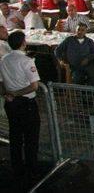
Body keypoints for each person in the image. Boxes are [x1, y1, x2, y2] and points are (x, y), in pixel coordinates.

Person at [0, 31, 41, 179]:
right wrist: (16, 93)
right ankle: (32, 169)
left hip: (11, 103)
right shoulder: (27, 61)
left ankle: (17, 167)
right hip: (26, 103)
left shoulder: (4, 59)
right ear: (23, 43)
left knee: (15, 136)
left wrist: (7, 94)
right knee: (31, 138)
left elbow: (1, 81)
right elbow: (34, 86)